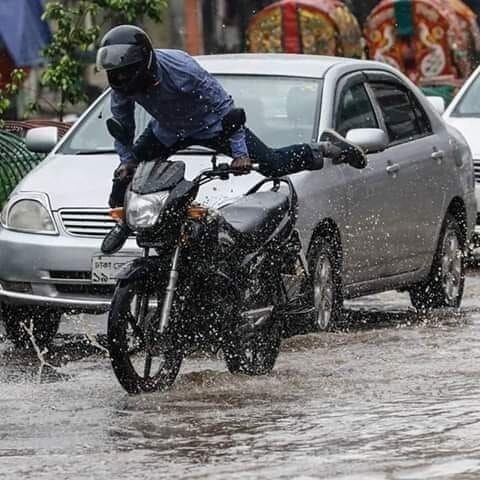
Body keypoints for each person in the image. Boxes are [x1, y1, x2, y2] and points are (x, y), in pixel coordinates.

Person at [96, 25, 367, 254]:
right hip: (168, 130)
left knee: (272, 163)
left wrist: (240, 154)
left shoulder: (182, 69)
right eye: (115, 75)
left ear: (145, 64)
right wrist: (127, 161)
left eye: (125, 72)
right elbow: (122, 127)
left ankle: (326, 149)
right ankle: (123, 223)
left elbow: (226, 109)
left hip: (212, 126)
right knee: (127, 176)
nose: (120, 79)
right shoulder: (120, 87)